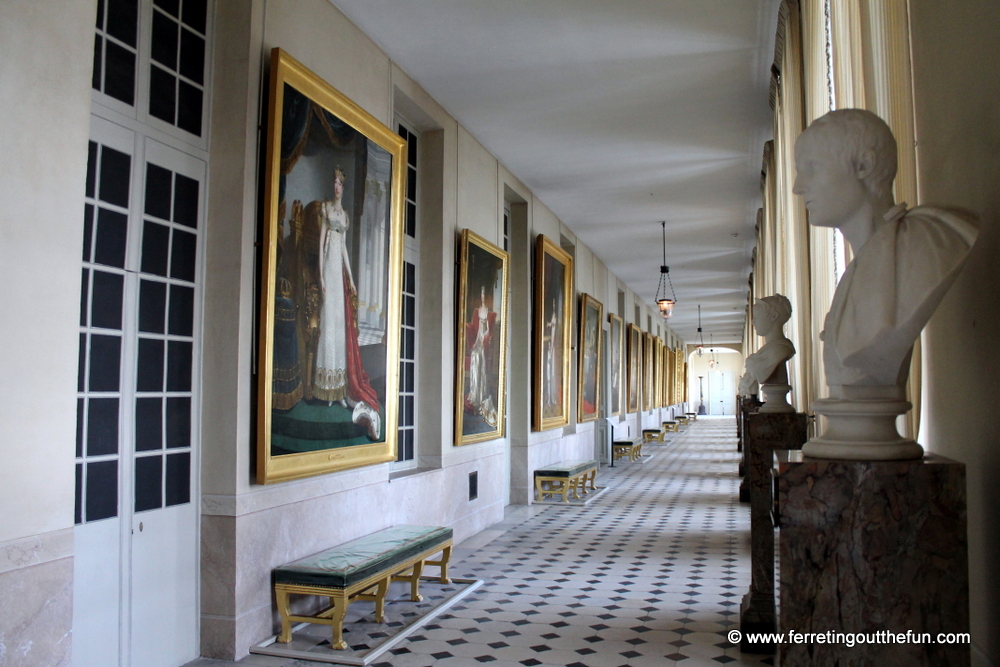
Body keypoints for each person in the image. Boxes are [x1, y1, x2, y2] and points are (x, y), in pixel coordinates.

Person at [793, 109, 979, 459]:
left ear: (863, 166)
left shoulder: (929, 245)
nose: (797, 187)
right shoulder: (856, 271)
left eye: (811, 167)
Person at [314, 168, 381, 440]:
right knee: (328, 328)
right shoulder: (327, 210)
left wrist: (352, 280)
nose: (337, 186)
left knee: (340, 332)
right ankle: (325, 390)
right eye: (335, 182)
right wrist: (321, 279)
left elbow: (342, 249)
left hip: (339, 275)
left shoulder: (344, 216)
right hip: (327, 273)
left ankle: (339, 390)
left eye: (341, 182)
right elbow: (322, 245)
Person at [743, 294, 795, 412]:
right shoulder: (768, 350)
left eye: (757, 316)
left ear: (774, 316)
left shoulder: (780, 349)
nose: (753, 322)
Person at [465, 286, 496, 425]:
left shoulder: (488, 312)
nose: (483, 297)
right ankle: (473, 390)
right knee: (474, 354)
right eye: (481, 295)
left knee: (478, 355)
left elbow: (487, 329)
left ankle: (479, 392)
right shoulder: (477, 310)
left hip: (483, 335)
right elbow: (472, 325)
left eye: (485, 295)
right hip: (478, 336)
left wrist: (485, 335)